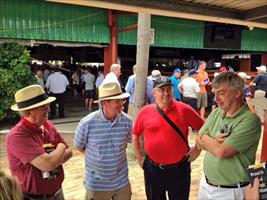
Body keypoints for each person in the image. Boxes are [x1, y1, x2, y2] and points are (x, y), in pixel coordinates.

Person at [133, 76, 204, 200]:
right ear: (154, 92)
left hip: (179, 168)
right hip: (153, 169)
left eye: (168, 89)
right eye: (161, 90)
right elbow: (135, 134)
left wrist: (197, 149)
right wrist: (139, 157)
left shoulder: (184, 109)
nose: (166, 93)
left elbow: (203, 128)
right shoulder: (145, 112)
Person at [196, 72, 262, 200]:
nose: (215, 99)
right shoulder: (216, 112)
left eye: (221, 93)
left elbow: (221, 151)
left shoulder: (249, 120)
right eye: (215, 93)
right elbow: (197, 141)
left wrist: (204, 136)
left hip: (230, 191)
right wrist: (213, 140)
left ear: (237, 93)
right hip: (206, 184)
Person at [6, 84, 73, 200]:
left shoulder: (47, 125)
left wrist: (52, 159)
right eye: (43, 107)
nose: (49, 109)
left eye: (47, 105)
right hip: (33, 197)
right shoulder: (17, 136)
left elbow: (70, 152)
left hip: (57, 192)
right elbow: (48, 164)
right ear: (27, 112)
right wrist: (61, 147)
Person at [73, 82, 132, 200]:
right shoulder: (87, 123)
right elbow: (78, 146)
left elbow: (126, 142)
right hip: (96, 184)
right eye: (117, 101)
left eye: (122, 100)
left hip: (121, 182)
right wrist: (95, 155)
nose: (122, 103)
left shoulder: (127, 121)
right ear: (105, 103)